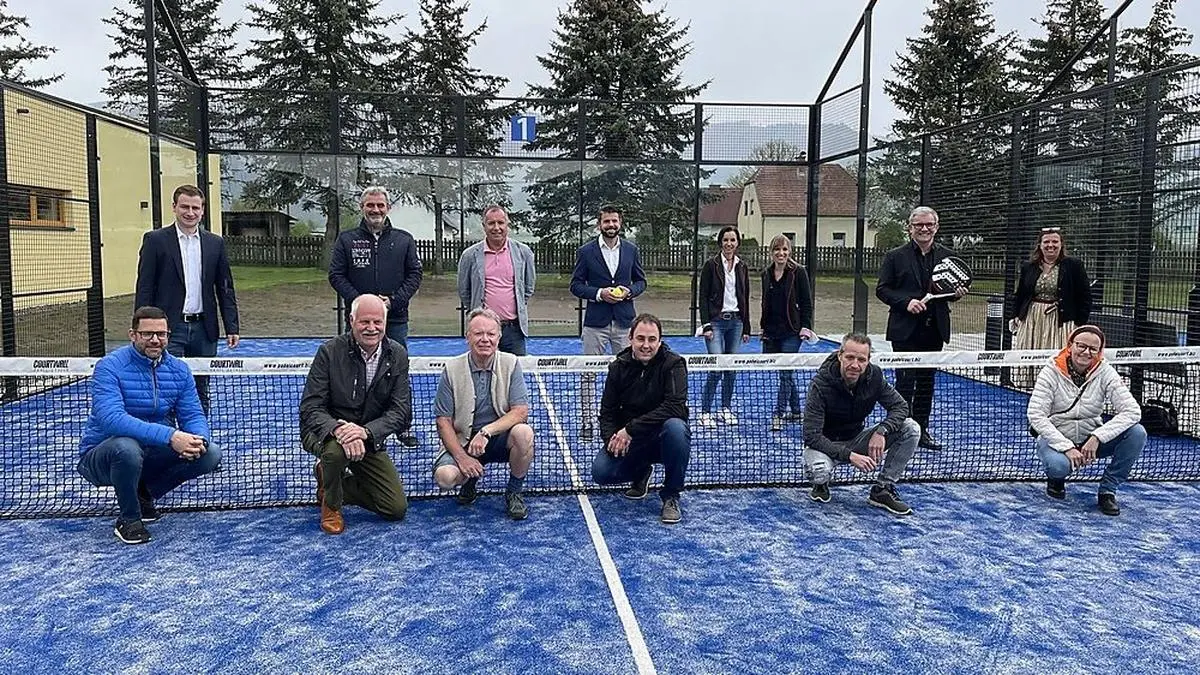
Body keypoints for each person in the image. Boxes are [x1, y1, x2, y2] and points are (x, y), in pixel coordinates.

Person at [77, 306, 223, 544]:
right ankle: (129, 519)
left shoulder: (179, 369)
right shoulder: (109, 367)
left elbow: (193, 413)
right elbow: (112, 419)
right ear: (133, 335)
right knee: (126, 447)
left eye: (161, 334)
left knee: (210, 453)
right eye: (147, 334)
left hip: (151, 451)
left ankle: (142, 493)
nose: (155, 340)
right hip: (103, 455)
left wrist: (199, 438)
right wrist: (171, 436)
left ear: (168, 335)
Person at [299, 294, 412, 535]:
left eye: (377, 322)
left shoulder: (398, 354)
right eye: (364, 322)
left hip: (368, 436)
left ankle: (331, 482)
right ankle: (331, 505)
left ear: (385, 321)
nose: (371, 328)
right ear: (351, 320)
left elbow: (401, 412)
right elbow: (310, 407)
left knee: (395, 508)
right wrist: (339, 430)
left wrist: (365, 432)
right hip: (325, 432)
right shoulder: (328, 352)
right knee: (334, 453)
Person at [328, 185, 422, 448]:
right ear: (362, 207)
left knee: (398, 374)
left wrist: (391, 303)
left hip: (396, 320)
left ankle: (402, 426)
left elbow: (415, 275)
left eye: (380, 205)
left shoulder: (404, 240)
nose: (376, 210)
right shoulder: (346, 240)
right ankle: (354, 426)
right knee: (351, 375)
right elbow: (336, 275)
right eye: (371, 205)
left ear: (388, 208)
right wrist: (362, 303)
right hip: (359, 323)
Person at [134, 184, 240, 414]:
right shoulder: (155, 240)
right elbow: (144, 287)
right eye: (184, 207)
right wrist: (142, 328)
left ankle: (198, 438)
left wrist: (232, 325)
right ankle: (167, 438)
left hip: (205, 329)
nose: (190, 213)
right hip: (169, 329)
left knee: (201, 389)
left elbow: (225, 287)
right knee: (166, 385)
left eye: (195, 207)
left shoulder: (215, 243)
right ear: (174, 207)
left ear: (202, 210)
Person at [875, 205, 967, 451]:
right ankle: (900, 432)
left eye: (929, 225)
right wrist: (906, 303)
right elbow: (882, 289)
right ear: (910, 228)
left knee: (926, 384)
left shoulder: (948, 257)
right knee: (904, 383)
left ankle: (921, 431)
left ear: (936, 227)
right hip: (904, 331)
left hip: (934, 330)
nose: (924, 229)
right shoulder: (895, 256)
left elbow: (948, 292)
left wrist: (956, 295)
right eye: (919, 225)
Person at [1027, 325, 1144, 516]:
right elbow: (1036, 415)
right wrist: (1066, 447)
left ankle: (1108, 490)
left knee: (1137, 433)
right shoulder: (1050, 371)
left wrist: (1098, 436)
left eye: (1093, 349)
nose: (1086, 352)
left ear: (1099, 352)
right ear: (1070, 345)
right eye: (1081, 345)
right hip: (1057, 441)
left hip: (1091, 440)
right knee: (1059, 466)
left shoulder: (1106, 372)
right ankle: (1057, 478)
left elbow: (1132, 411)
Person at [432, 308, 535, 520]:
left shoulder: (511, 363)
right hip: (463, 442)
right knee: (445, 478)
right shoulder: (451, 369)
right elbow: (443, 422)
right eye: (478, 334)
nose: (485, 339)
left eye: (490, 334)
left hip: (498, 440)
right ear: (467, 337)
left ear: (499, 337)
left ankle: (514, 492)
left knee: (524, 433)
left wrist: (486, 432)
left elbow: (520, 411)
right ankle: (469, 478)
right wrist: (462, 458)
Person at [802, 333, 920, 515]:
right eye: (850, 357)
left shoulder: (875, 377)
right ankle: (821, 485)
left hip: (856, 439)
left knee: (910, 428)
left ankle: (882, 489)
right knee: (819, 471)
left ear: (868, 360)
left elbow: (900, 406)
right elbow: (812, 436)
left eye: (861, 359)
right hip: (824, 445)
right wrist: (850, 456)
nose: (855, 365)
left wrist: (882, 431)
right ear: (840, 355)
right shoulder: (820, 384)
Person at [592, 314, 690, 524]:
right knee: (601, 472)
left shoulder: (674, 364)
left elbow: (674, 406)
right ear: (631, 339)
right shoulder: (618, 367)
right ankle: (641, 471)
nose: (646, 345)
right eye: (641, 339)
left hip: (662, 437)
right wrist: (612, 439)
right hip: (631, 441)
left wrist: (630, 429)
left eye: (652, 339)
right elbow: (607, 411)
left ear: (660, 341)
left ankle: (671, 495)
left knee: (677, 428)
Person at [570, 205, 647, 440]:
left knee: (629, 373)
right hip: (596, 323)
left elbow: (641, 282)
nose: (611, 225)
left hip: (624, 323)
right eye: (607, 222)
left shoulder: (631, 250)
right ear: (599, 224)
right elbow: (576, 285)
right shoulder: (586, 251)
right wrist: (599, 293)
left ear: (620, 223)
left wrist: (629, 291)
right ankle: (587, 423)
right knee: (588, 374)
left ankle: (626, 421)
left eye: (614, 221)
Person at [1010, 227, 1092, 387]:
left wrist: (1079, 324)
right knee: (1028, 352)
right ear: (1040, 245)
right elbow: (1020, 294)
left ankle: (1055, 386)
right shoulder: (1029, 266)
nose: (1050, 245)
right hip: (1032, 318)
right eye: (1046, 242)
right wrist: (1015, 315)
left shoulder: (1073, 265)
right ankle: (1029, 386)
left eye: (1055, 241)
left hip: (1061, 320)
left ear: (1061, 245)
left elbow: (1085, 296)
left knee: (1057, 353)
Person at [456, 205, 536, 356]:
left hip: (514, 330)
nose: (496, 228)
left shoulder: (523, 252)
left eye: (500, 223)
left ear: (508, 225)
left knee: (514, 374)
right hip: (483, 330)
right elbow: (464, 291)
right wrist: (478, 314)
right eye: (491, 223)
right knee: (482, 373)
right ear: (484, 226)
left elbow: (528, 287)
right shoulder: (469, 255)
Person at [759, 234, 816, 432]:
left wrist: (805, 327)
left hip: (792, 331)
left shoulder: (799, 272)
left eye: (784, 249)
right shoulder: (766, 273)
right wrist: (764, 328)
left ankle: (778, 414)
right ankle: (797, 411)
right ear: (771, 252)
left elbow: (807, 303)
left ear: (789, 251)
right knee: (785, 373)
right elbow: (765, 303)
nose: (781, 253)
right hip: (772, 332)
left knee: (785, 373)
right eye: (777, 249)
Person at [696, 226, 751, 427]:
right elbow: (702, 297)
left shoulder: (742, 266)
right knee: (716, 368)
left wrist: (746, 327)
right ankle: (705, 412)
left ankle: (725, 409)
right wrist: (706, 325)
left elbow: (744, 297)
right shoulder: (711, 265)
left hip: (736, 323)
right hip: (716, 323)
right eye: (726, 240)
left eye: (732, 240)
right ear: (720, 242)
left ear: (737, 243)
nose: (729, 244)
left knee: (731, 369)